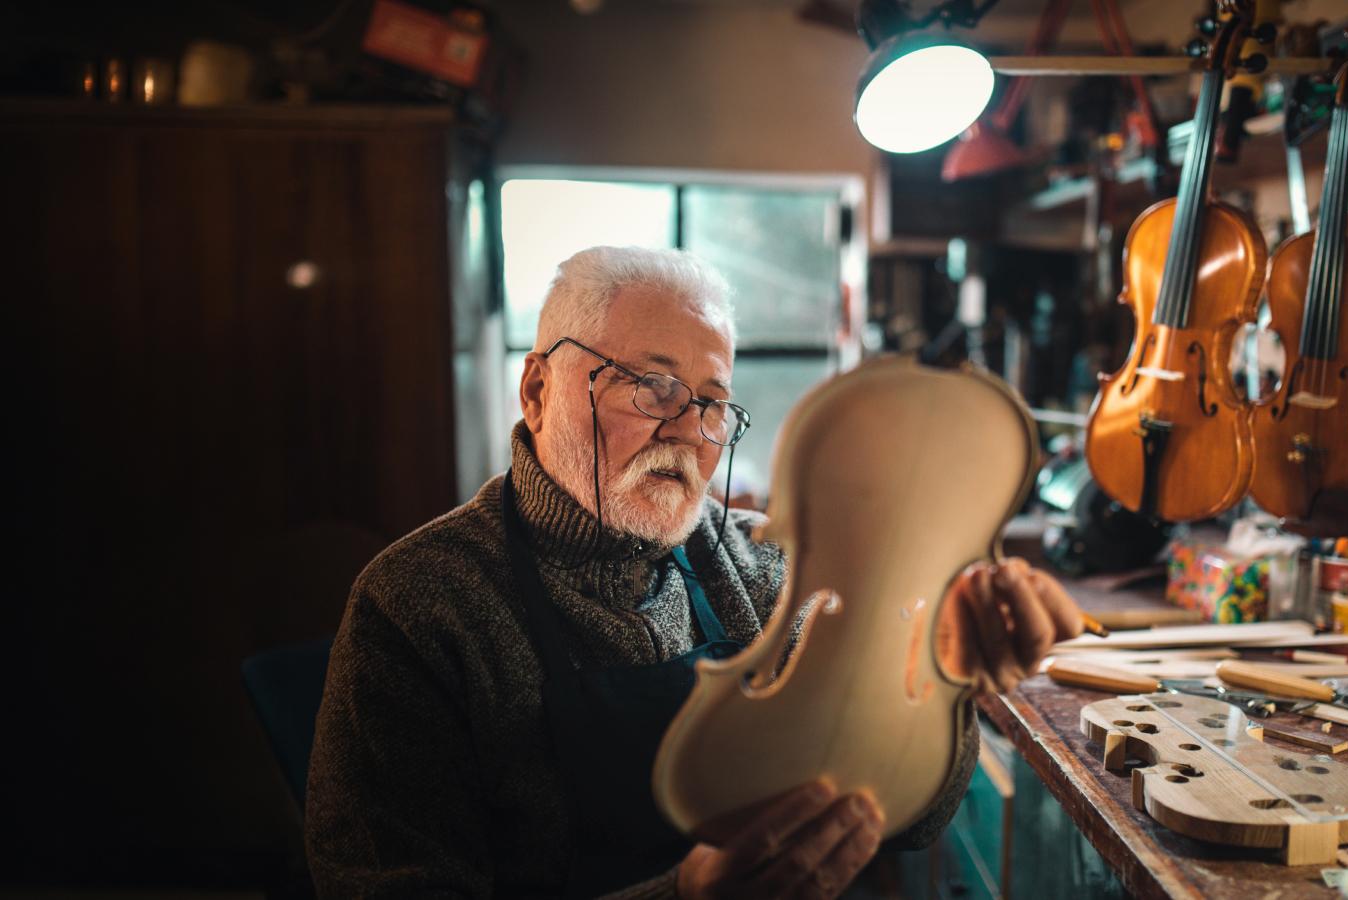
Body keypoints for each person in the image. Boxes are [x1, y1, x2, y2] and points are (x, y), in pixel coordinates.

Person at [305, 247, 1085, 898]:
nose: (689, 430)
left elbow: (909, 819)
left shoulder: (767, 563)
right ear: (539, 390)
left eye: (714, 402)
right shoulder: (419, 603)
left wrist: (943, 679)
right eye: (653, 385)